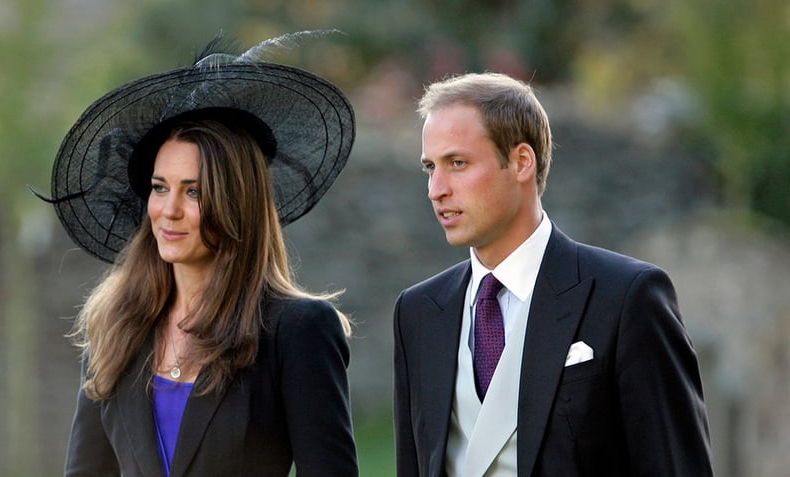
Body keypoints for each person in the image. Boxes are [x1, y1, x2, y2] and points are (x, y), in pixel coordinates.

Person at [36, 31, 358, 476]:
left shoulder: (298, 329)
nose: (168, 211)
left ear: (235, 202)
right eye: (159, 188)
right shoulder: (116, 326)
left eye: (194, 192)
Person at [392, 72, 713, 476]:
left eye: (457, 163)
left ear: (522, 162)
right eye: (429, 168)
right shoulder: (418, 311)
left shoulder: (627, 297)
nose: (436, 189)